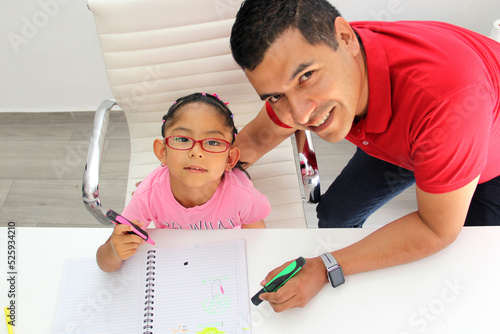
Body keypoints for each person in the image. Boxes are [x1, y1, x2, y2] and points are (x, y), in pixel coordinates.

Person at [230, 0, 500, 311]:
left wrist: (325, 267)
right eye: (277, 95)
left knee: (471, 278)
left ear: (345, 38)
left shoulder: (446, 103)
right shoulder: (332, 59)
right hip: (417, 140)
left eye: (306, 77)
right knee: (334, 216)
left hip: (486, 152)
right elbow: (259, 136)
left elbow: (435, 229)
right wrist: (203, 175)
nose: (300, 115)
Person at [97, 92, 270, 272]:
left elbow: (257, 242)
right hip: (176, 266)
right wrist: (113, 252)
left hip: (223, 264)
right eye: (183, 139)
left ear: (230, 159)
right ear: (162, 151)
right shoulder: (148, 195)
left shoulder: (243, 196)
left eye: (212, 142)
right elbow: (105, 263)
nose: (196, 152)